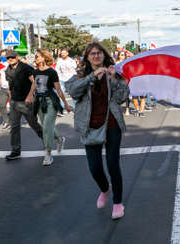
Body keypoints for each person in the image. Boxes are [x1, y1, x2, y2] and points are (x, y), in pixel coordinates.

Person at [68, 42, 129, 220]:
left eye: (99, 53)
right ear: (87, 57)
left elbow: (122, 97)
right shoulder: (80, 75)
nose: (96, 56)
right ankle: (104, 189)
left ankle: (118, 203)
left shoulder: (115, 74)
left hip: (111, 124)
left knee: (113, 164)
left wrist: (113, 80)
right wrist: (92, 76)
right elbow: (73, 92)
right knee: (94, 168)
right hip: (90, 125)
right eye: (92, 54)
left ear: (104, 55)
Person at [33, 49, 71, 166]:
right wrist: (30, 97)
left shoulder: (52, 72)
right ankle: (59, 139)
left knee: (46, 128)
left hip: (50, 101)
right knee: (46, 126)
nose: (36, 58)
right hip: (39, 101)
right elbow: (33, 87)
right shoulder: (34, 72)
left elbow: (58, 89)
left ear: (44, 57)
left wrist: (65, 103)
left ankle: (48, 154)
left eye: (38, 56)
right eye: (36, 57)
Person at [4, 50, 44, 160]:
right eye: (8, 58)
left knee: (33, 124)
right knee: (14, 126)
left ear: (17, 57)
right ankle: (15, 151)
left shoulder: (26, 68)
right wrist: (10, 99)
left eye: (12, 57)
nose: (10, 59)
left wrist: (30, 95)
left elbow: (34, 82)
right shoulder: (7, 70)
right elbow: (10, 86)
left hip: (26, 101)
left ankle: (47, 140)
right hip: (14, 102)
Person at [0, 50, 10, 129]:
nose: (4, 57)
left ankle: (13, 121)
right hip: (3, 88)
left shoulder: (13, 64)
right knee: (1, 104)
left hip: (13, 89)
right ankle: (6, 121)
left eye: (5, 55)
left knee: (14, 106)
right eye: (2, 56)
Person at [116, 51, 131, 116]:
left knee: (126, 95)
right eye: (121, 55)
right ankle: (118, 109)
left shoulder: (127, 63)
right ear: (119, 56)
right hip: (117, 81)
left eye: (124, 55)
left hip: (125, 80)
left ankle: (127, 109)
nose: (123, 56)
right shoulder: (116, 63)